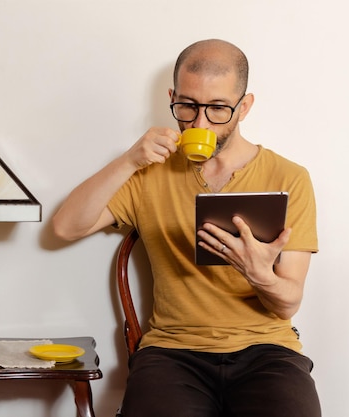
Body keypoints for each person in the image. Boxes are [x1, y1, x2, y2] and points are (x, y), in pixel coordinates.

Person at [52, 39, 321, 417]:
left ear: (244, 106)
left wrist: (261, 276)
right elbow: (65, 227)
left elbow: (289, 301)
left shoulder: (289, 177)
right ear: (172, 97)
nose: (199, 123)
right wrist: (128, 161)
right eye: (187, 106)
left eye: (218, 109)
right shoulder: (149, 171)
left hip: (267, 351)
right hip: (172, 352)